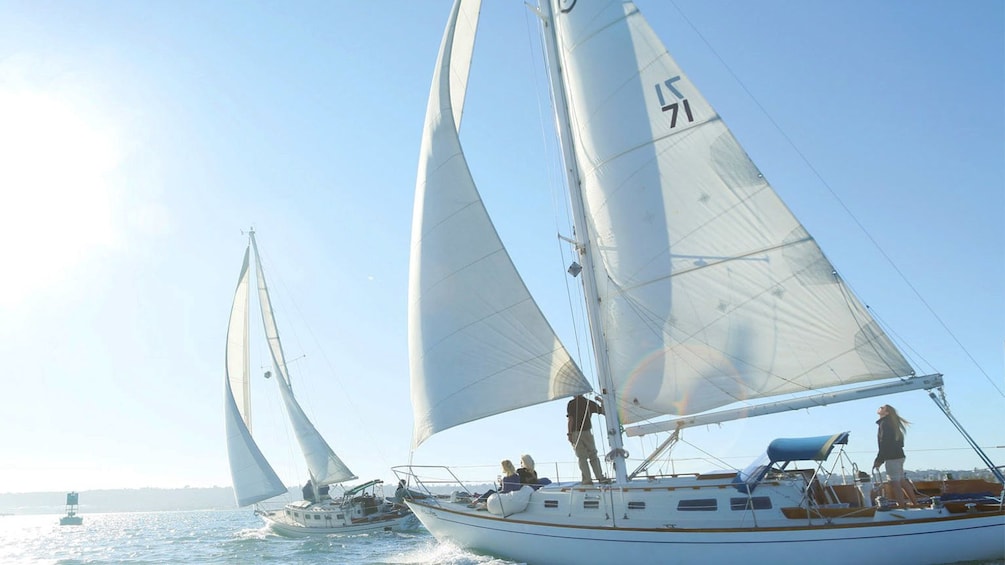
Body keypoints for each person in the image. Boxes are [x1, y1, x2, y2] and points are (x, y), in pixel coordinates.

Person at [872, 404, 918, 508]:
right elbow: (900, 443)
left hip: (892, 457)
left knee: (894, 482)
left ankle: (901, 505)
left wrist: (879, 460)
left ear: (886, 413)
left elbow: (884, 443)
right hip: (899, 455)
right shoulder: (892, 424)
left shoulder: (884, 424)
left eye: (882, 407)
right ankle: (914, 503)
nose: (880, 407)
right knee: (901, 480)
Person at [567, 394, 607, 485]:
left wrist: (569, 434)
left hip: (575, 433)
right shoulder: (589, 403)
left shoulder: (571, 403)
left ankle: (587, 480)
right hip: (587, 432)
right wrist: (601, 401)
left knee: (582, 457)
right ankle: (600, 477)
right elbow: (603, 412)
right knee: (593, 454)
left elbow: (571, 419)